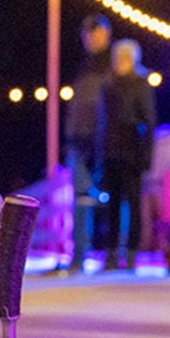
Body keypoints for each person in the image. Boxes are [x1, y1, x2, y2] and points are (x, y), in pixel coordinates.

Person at [96, 38, 157, 271]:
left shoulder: (141, 84)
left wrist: (146, 155)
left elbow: (149, 121)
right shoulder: (108, 84)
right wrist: (101, 153)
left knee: (133, 205)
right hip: (111, 152)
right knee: (112, 205)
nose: (120, 63)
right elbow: (103, 122)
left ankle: (131, 255)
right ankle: (111, 254)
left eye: (125, 59)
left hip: (133, 152)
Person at [64, 14, 113, 272]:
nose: (92, 38)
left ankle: (114, 255)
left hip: (104, 142)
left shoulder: (112, 66)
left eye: (96, 33)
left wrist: (103, 136)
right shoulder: (83, 66)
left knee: (110, 198)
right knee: (81, 198)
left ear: (106, 34)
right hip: (79, 141)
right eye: (88, 34)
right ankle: (79, 254)